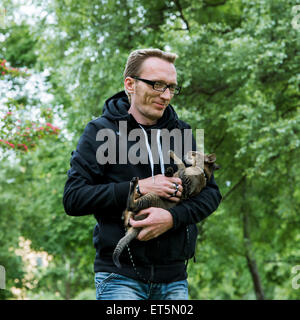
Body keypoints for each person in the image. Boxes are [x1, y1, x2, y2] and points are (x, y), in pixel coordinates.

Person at [63, 48, 222, 300]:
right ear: (130, 84)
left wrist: (172, 218)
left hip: (174, 280)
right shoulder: (99, 131)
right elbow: (73, 198)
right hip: (119, 278)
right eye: (157, 85)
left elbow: (212, 194)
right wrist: (138, 188)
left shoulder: (182, 133)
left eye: (171, 87)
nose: (166, 95)